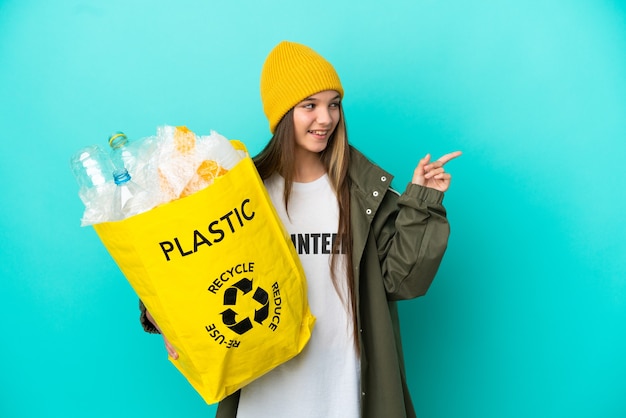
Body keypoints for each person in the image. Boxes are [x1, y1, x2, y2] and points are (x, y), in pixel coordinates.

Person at [140, 40, 461, 418]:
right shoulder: (241, 192)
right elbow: (194, 263)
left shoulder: (363, 193)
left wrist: (422, 202)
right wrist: (161, 315)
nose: (325, 118)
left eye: (333, 104)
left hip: (344, 387)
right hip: (266, 389)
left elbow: (401, 282)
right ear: (282, 114)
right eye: (309, 106)